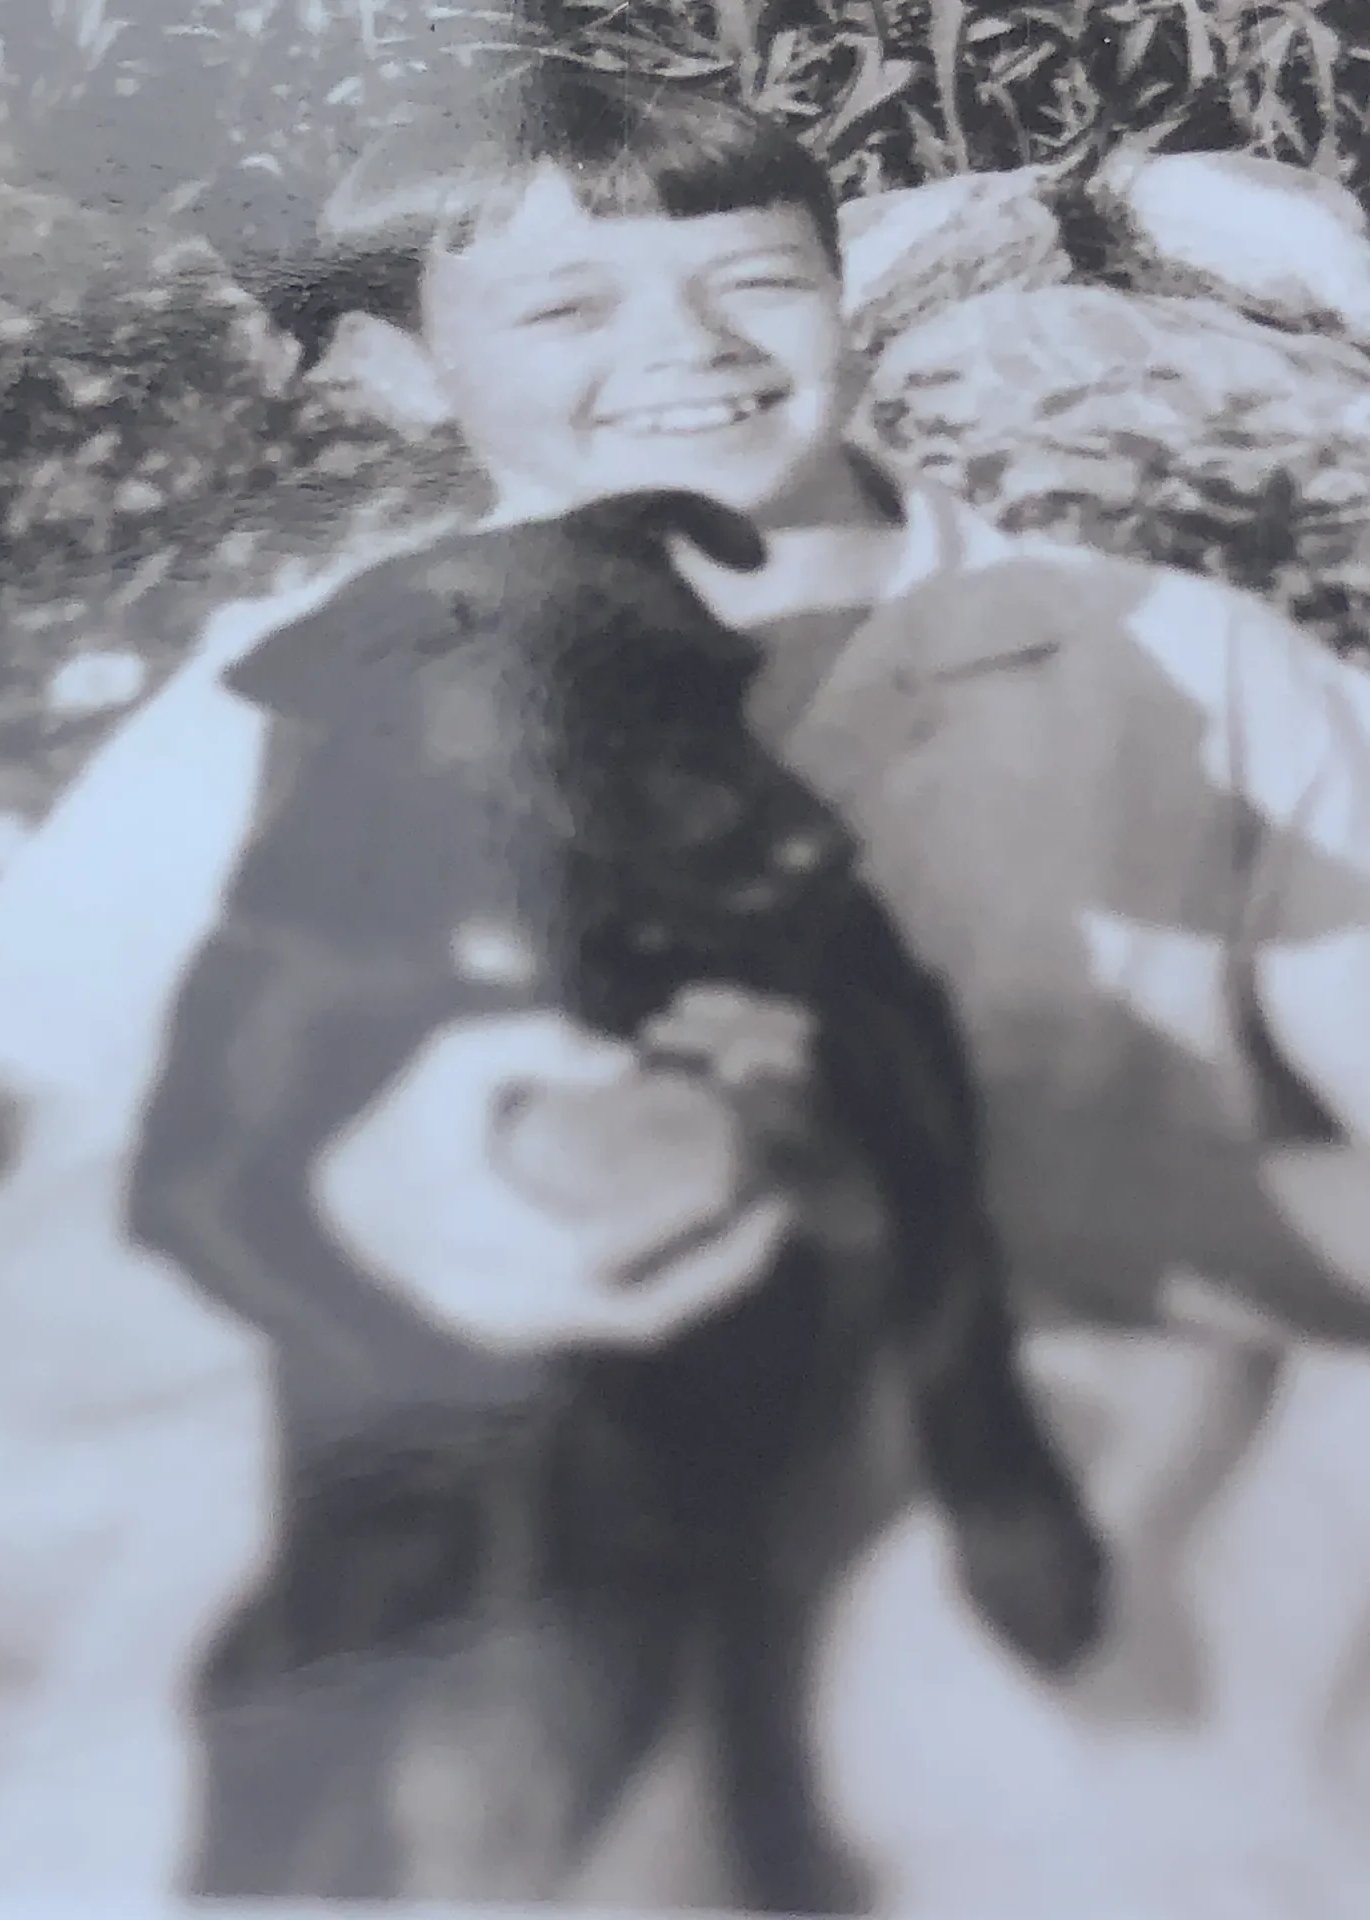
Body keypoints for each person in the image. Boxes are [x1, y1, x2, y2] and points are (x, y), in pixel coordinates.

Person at [293, 58, 1370, 1906]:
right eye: (563, 302)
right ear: (397, 366)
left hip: (1101, 1571)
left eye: (757, 276)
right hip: (509, 1613)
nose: (689, 348)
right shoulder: (299, 697)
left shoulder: (1177, 662)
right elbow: (45, 1140)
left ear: (846, 292)